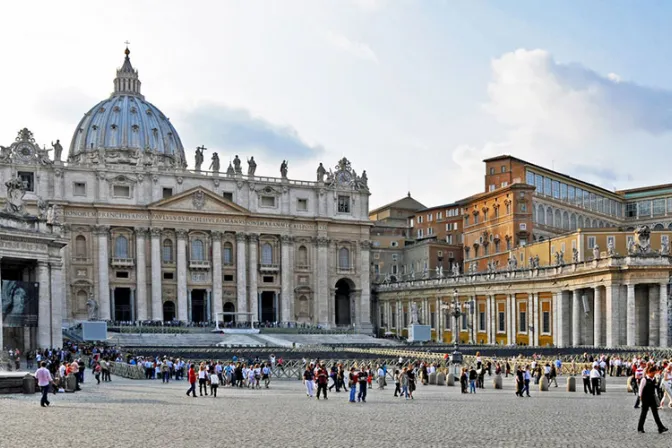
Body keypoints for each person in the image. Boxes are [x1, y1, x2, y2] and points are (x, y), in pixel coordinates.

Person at [638, 366, 668, 434]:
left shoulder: (653, 379)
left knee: (655, 413)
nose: (654, 374)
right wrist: (640, 398)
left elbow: (654, 389)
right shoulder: (644, 379)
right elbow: (640, 389)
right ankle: (640, 428)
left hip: (652, 398)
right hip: (645, 398)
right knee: (644, 413)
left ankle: (660, 428)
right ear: (650, 372)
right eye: (653, 373)